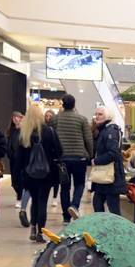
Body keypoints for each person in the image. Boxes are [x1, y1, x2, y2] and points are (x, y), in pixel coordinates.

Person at [14, 103, 62, 242]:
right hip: (47, 173)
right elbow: (59, 151)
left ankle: (33, 228)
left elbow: (19, 158)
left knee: (34, 201)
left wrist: (18, 176)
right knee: (42, 202)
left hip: (29, 174)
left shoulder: (24, 133)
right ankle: (41, 232)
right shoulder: (49, 131)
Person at [54, 94, 93, 224]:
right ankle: (74, 206)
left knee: (64, 186)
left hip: (62, 159)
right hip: (79, 158)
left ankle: (66, 217)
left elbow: (52, 137)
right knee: (79, 184)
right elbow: (88, 139)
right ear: (74, 104)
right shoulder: (82, 119)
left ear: (63, 104)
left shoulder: (55, 119)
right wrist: (90, 155)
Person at [88, 106, 125, 215]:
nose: (97, 116)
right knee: (98, 204)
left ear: (108, 116)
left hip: (110, 176)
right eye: (96, 114)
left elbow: (113, 153)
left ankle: (116, 226)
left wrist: (96, 161)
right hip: (105, 177)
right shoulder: (104, 130)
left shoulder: (110, 131)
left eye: (100, 114)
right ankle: (104, 226)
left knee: (112, 208)